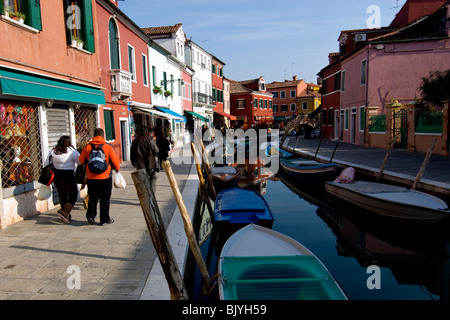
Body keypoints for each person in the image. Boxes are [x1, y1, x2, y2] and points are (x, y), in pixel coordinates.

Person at [79, 128, 120, 225]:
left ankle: (91, 216)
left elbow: (81, 160)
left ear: (94, 135)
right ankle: (104, 219)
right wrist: (117, 169)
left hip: (91, 177)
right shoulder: (108, 147)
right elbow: (115, 161)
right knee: (105, 198)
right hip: (105, 177)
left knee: (93, 198)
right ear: (103, 135)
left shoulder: (88, 147)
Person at [46, 135, 81, 224]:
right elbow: (79, 161)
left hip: (57, 176)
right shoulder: (72, 152)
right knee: (73, 194)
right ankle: (64, 212)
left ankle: (66, 215)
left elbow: (46, 162)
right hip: (68, 175)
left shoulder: (53, 151)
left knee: (62, 195)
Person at [130, 125, 159, 193]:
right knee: (153, 179)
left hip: (139, 165)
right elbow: (157, 150)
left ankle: (145, 199)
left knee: (143, 182)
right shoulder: (150, 139)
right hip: (150, 164)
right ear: (147, 131)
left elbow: (132, 155)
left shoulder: (135, 141)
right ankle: (151, 196)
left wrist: (135, 164)